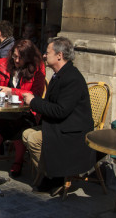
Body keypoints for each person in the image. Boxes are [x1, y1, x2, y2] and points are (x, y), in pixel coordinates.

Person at [22, 37, 95, 193]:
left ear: (59, 55)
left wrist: (34, 102)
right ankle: (51, 173)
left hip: (71, 130)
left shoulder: (72, 78)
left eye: (48, 52)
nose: (44, 55)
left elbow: (60, 110)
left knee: (34, 139)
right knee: (26, 133)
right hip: (59, 124)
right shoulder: (59, 74)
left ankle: (55, 176)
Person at [0, 39, 46, 178]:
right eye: (14, 56)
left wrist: (12, 91)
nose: (16, 60)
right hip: (4, 108)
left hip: (26, 110)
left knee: (20, 125)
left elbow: (36, 95)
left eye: (20, 58)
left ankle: (18, 162)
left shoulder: (38, 68)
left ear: (28, 58)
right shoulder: (3, 63)